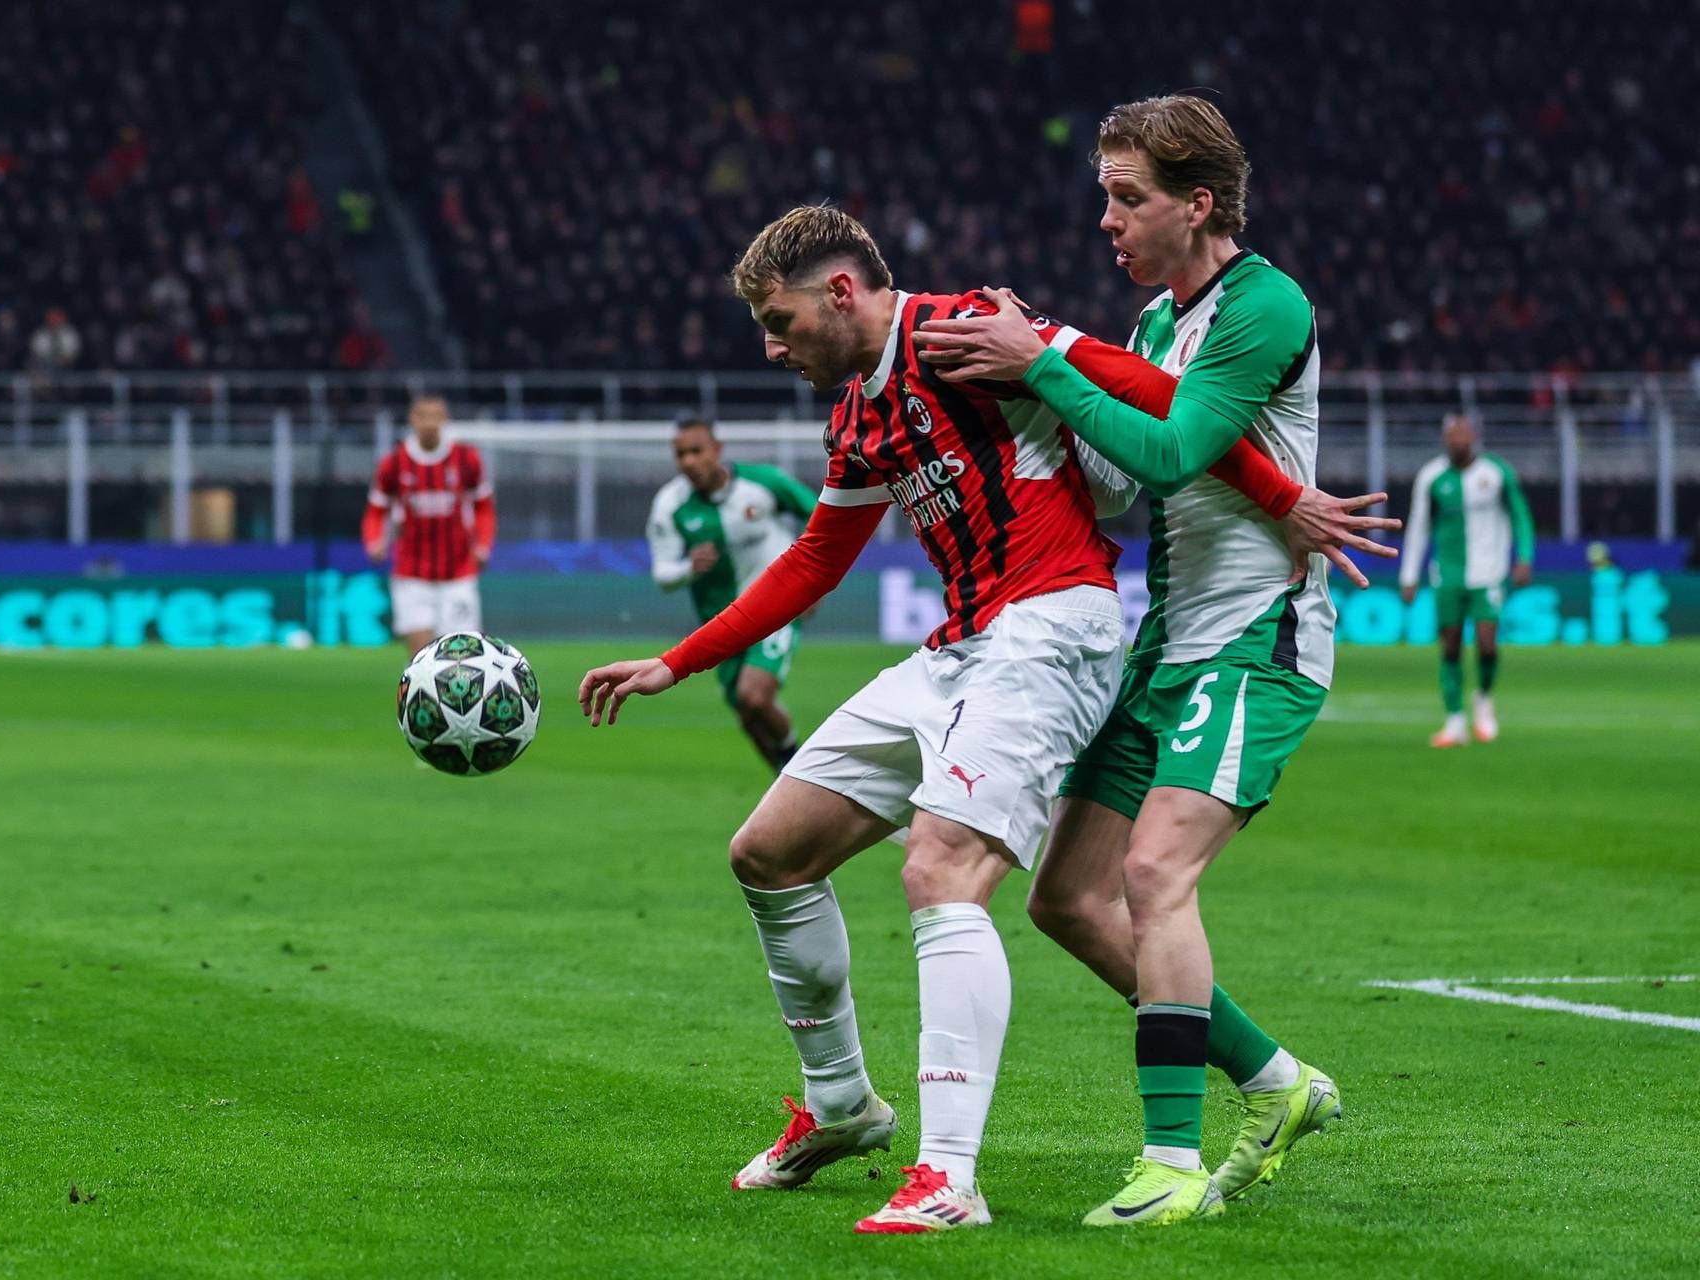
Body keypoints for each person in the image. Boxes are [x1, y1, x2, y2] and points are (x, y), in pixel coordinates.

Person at [578, 205, 1382, 1234]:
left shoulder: (962, 331)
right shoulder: (859, 414)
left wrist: (1280, 494)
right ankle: (842, 1106)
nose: (772, 348)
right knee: (770, 850)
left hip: (1053, 626)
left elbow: (1165, 404)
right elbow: (819, 557)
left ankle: (949, 1176)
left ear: (841, 293)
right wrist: (677, 661)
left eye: (779, 322)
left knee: (942, 867)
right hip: (961, 647)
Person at [914, 94, 1399, 1226]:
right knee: (1069, 897)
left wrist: (1049, 358)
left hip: (1255, 638)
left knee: (1153, 874)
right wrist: (1025, 380)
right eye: (1104, 196)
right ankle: (1277, 1083)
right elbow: (1130, 479)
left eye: (1126, 197)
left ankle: (1172, 1159)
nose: (1108, 220)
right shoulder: (1146, 329)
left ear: (1198, 202)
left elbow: (1181, 444)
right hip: (1163, 643)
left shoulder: (1266, 305)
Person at [646, 418, 816, 769]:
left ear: (717, 450)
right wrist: (688, 568)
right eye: (680, 454)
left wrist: (811, 584)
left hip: (775, 606)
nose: (689, 461)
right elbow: (663, 576)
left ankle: (808, 781)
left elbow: (821, 515)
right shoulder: (670, 505)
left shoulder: (763, 482)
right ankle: (790, 787)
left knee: (753, 696)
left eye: (696, 451)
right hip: (721, 624)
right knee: (749, 716)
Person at [1399, 413, 1535, 746]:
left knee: (1487, 643)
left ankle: (1484, 699)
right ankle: (1455, 721)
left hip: (1489, 573)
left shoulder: (1496, 472)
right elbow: (1418, 526)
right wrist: (1409, 574)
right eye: (1451, 435)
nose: (1457, 441)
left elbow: (1520, 515)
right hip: (1447, 574)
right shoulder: (1431, 477)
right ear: (1445, 439)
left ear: (1474, 435)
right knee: (1450, 645)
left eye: (1462, 434)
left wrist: (1525, 558)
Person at [362, 395, 495, 656]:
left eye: (436, 416)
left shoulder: (466, 459)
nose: (430, 423)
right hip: (412, 575)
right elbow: (376, 510)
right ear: (413, 420)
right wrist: (374, 540)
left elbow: (484, 507)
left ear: (445, 419)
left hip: (458, 573)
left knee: (462, 659)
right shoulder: (395, 463)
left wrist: (483, 544)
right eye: (424, 417)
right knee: (422, 658)